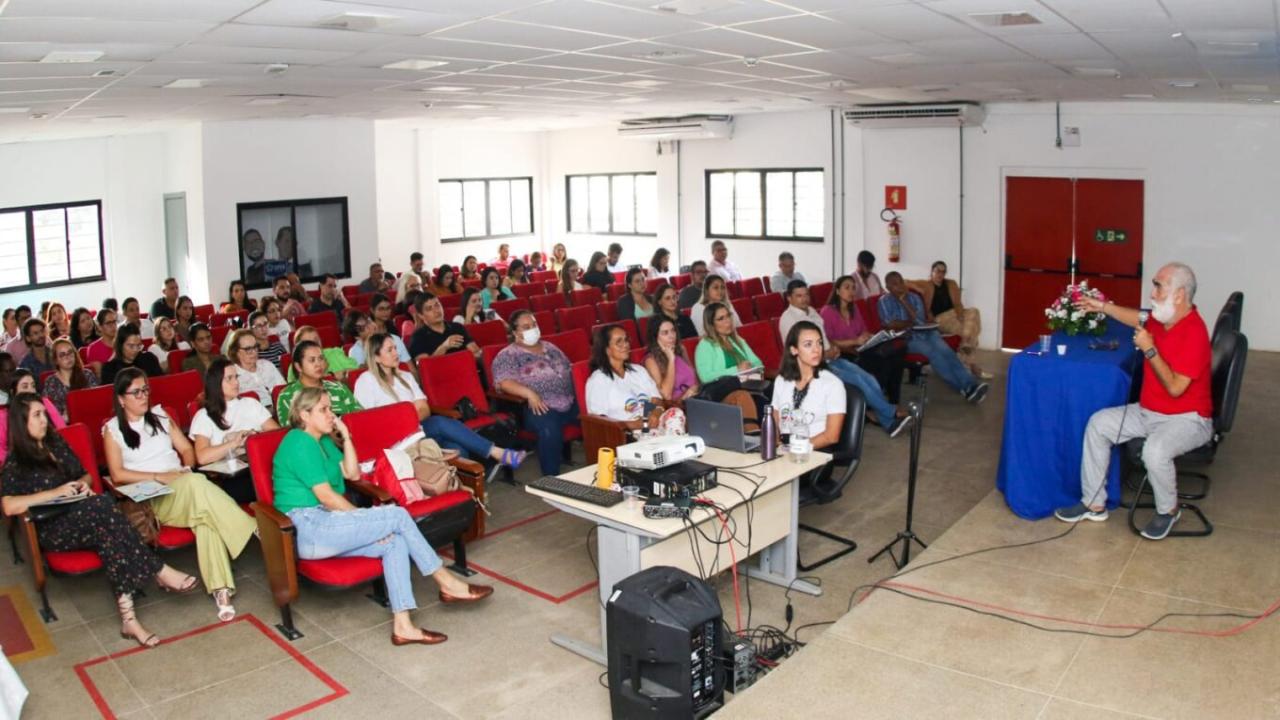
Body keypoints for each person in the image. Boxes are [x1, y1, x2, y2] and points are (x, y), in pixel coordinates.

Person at [272, 386, 493, 647]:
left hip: (329, 526)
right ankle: (446, 581)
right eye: (323, 410)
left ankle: (403, 626)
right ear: (303, 414)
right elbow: (327, 497)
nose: (331, 414)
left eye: (331, 408)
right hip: (309, 527)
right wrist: (363, 519)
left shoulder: (322, 441)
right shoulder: (299, 442)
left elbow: (352, 474)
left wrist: (345, 435)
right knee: (396, 516)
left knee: (394, 542)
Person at [2, 392, 199, 648]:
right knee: (103, 507)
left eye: (44, 414)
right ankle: (158, 569)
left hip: (84, 516)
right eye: (37, 415)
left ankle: (130, 620)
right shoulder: (16, 462)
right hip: (55, 529)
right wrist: (56, 492)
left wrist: (79, 486)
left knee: (109, 533)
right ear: (22, 422)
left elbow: (86, 476)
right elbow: (8, 505)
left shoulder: (56, 444)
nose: (44, 420)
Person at [1055, 262, 1214, 540]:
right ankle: (1094, 503)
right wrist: (1102, 307)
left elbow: (1176, 388)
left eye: (1158, 286)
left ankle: (1168, 510)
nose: (1152, 292)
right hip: (1149, 412)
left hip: (1187, 419)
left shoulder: (1195, 333)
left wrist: (1149, 349)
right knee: (1099, 424)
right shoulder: (1164, 317)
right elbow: (1138, 317)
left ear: (1179, 295)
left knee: (1154, 451)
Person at [103, 368, 257, 622]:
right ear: (121, 399)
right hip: (152, 495)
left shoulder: (161, 417)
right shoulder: (112, 430)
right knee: (197, 484)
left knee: (205, 518)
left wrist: (184, 466)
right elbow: (117, 474)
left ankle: (221, 591)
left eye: (145, 390)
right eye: (136, 392)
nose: (143, 396)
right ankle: (251, 528)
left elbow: (187, 449)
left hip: (182, 484)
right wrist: (159, 477)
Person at [353, 333, 527, 468]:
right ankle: (497, 452)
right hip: (393, 440)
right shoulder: (366, 381)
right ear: (376, 357)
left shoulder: (405, 376)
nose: (396, 353)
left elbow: (424, 409)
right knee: (438, 423)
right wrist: (408, 414)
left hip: (418, 432)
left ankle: (465, 497)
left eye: (395, 348)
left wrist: (406, 417)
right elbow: (368, 422)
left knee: (457, 449)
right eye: (389, 350)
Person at [779, 281, 911, 437]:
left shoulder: (811, 311)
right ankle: (891, 413)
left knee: (868, 378)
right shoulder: (789, 319)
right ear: (789, 298)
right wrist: (825, 354)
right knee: (857, 380)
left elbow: (824, 337)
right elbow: (799, 351)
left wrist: (833, 348)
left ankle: (888, 423)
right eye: (799, 296)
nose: (804, 299)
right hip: (812, 366)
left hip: (829, 358)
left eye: (806, 294)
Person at [878, 272, 988, 404]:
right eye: (895, 284)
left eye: (901, 282)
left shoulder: (914, 297)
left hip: (925, 332)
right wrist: (905, 311)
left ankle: (971, 384)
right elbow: (890, 324)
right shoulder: (884, 301)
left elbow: (919, 321)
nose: (900, 286)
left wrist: (905, 305)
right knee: (933, 353)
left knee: (946, 351)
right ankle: (964, 388)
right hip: (905, 339)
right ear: (888, 287)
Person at [492, 310, 577, 476]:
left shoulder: (551, 347)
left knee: (597, 417)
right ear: (515, 333)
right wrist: (530, 394)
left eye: (534, 325)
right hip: (539, 406)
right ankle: (551, 477)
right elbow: (504, 382)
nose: (532, 329)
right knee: (549, 428)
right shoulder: (508, 355)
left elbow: (569, 368)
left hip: (569, 399)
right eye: (526, 327)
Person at [189, 357, 280, 504]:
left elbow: (276, 435)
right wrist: (234, 443)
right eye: (229, 379)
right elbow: (202, 457)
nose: (236, 382)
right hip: (234, 476)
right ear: (216, 384)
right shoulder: (204, 416)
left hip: (264, 466)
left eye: (236, 377)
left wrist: (254, 436)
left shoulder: (251, 404)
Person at [822, 275, 907, 403]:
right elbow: (828, 341)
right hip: (843, 352)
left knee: (898, 352)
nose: (851, 291)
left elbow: (863, 330)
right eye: (847, 288)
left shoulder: (854, 308)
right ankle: (877, 402)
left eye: (853, 288)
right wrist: (855, 341)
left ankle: (893, 400)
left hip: (860, 348)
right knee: (883, 361)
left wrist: (872, 337)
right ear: (838, 291)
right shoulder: (828, 311)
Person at [771, 321, 847, 452]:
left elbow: (831, 437)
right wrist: (774, 445)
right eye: (808, 344)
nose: (816, 349)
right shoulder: (781, 380)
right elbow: (774, 417)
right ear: (794, 350)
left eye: (819, 343)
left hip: (815, 451)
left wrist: (794, 449)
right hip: (785, 449)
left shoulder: (833, 384)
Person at [909, 261, 989, 379]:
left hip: (954, 315)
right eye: (937, 271)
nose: (940, 274)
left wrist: (961, 316)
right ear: (931, 271)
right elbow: (904, 282)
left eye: (943, 271)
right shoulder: (925, 284)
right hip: (940, 319)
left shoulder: (951, 284)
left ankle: (965, 344)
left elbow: (957, 303)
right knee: (972, 333)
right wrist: (918, 288)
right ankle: (973, 367)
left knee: (974, 311)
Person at [586, 324, 663, 428]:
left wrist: (655, 413)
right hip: (624, 433)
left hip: (652, 423)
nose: (626, 344)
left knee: (676, 414)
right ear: (606, 349)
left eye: (626, 340)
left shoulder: (638, 370)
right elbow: (599, 420)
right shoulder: (598, 380)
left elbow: (656, 398)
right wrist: (635, 424)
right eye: (619, 342)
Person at [276, 339, 361, 420]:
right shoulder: (287, 396)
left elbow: (359, 417)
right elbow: (292, 431)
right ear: (298, 367)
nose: (318, 364)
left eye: (320, 358)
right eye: (312, 360)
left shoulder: (338, 387)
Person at [2, 371, 67, 462]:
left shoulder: (44, 403)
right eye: (25, 386)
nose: (31, 391)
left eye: (33, 386)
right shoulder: (4, 416)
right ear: (13, 392)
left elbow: (62, 430)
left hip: (50, 453)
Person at [694, 303, 762, 385]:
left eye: (728, 316)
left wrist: (753, 370)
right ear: (711, 324)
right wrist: (737, 369)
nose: (728, 321)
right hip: (727, 392)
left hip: (751, 383)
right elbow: (706, 377)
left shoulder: (738, 339)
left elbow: (757, 362)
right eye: (721, 318)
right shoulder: (705, 346)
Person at [643, 316, 699, 403]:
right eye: (665, 333)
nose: (671, 336)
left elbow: (695, 378)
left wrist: (695, 388)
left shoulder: (680, 349)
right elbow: (666, 395)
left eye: (673, 330)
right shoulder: (650, 360)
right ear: (655, 337)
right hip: (678, 406)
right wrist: (671, 359)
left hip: (697, 397)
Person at [409, 293, 480, 362]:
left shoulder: (457, 327)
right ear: (421, 315)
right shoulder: (418, 337)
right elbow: (424, 366)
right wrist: (444, 347)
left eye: (437, 305)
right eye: (429, 309)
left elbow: (476, 352)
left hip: (465, 367)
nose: (436, 311)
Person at [226, 328, 284, 411]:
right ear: (235, 351)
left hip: (280, 410)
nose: (254, 352)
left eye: (255, 347)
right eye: (248, 349)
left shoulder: (267, 365)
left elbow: (283, 391)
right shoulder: (232, 376)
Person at [42, 338, 98, 421]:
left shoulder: (87, 374)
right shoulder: (51, 382)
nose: (68, 357)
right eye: (62, 355)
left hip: (90, 418)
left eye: (70, 352)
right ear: (56, 360)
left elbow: (97, 401)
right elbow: (50, 412)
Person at [288, 326, 358, 382]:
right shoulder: (296, 366)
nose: (314, 344)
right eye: (308, 343)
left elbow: (356, 371)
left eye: (316, 340)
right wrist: (332, 376)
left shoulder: (335, 353)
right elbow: (299, 390)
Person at [17, 318, 55, 383]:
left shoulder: (56, 354)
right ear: (28, 338)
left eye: (42, 331)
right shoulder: (25, 364)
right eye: (35, 333)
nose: (41, 335)